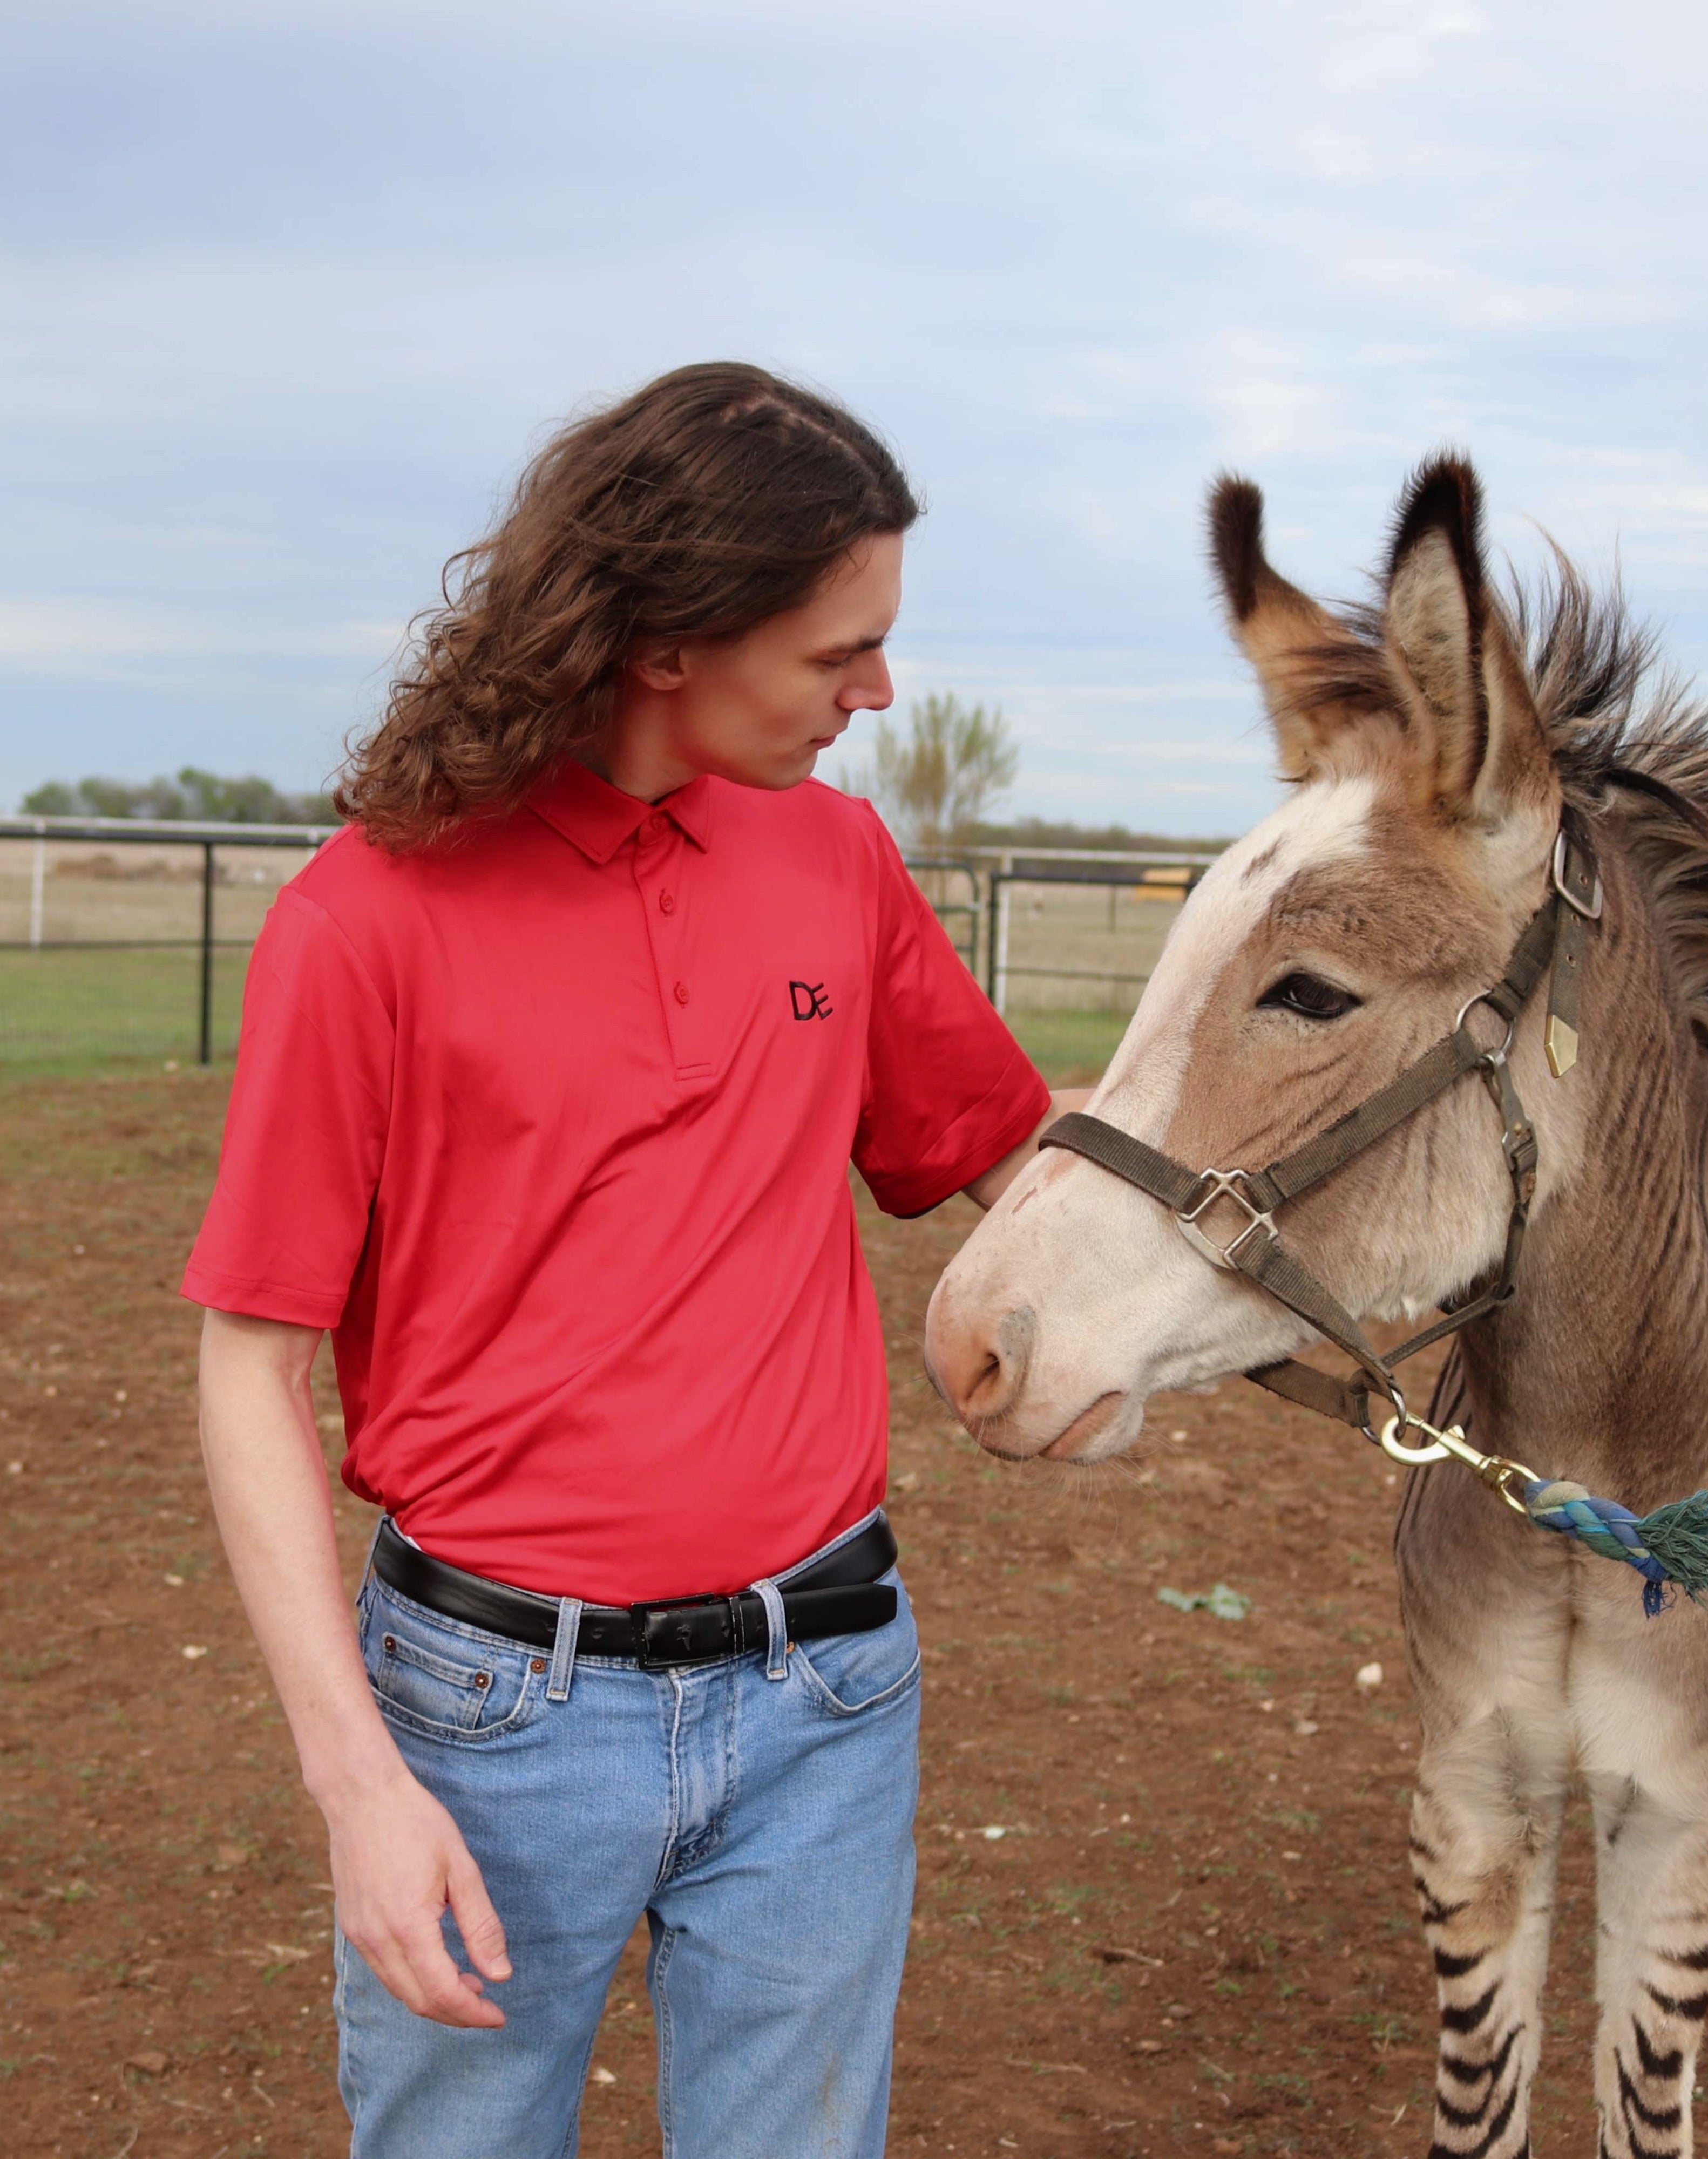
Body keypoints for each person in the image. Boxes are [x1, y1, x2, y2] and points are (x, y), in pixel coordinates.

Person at [185, 363, 1082, 2158]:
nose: (880, 692)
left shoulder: (838, 861)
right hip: (490, 1717)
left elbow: (1013, 1166)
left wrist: (1324, 1298)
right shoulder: (364, 918)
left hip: (828, 1685)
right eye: (840, 652)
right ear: (669, 639)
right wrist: (360, 1786)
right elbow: (247, 1371)